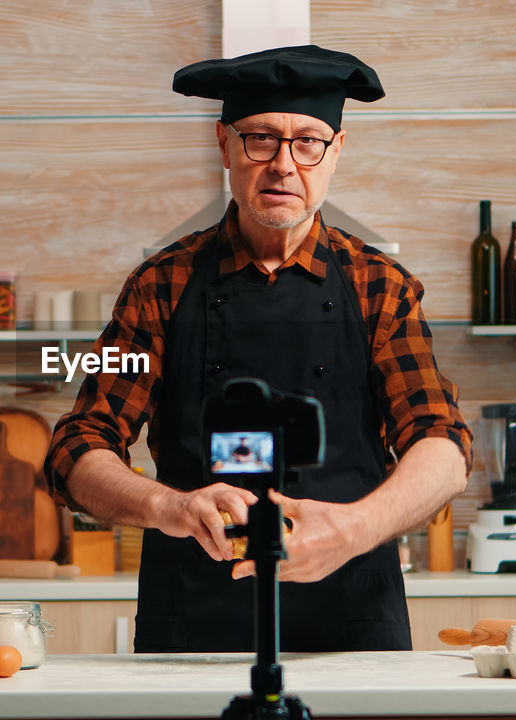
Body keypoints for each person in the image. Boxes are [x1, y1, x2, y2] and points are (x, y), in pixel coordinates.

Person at [45, 45, 471, 653]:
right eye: (260, 140)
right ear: (224, 145)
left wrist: (353, 528)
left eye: (307, 142)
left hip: (352, 627)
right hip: (194, 627)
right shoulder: (158, 286)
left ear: (336, 153)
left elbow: (442, 442)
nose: (283, 165)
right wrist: (169, 507)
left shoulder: (381, 286)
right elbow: (77, 444)